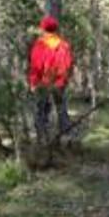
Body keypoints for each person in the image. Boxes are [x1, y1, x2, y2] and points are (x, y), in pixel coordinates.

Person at [28, 15, 74, 145]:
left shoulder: (40, 45)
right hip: (60, 83)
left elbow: (35, 66)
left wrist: (33, 83)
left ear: (43, 28)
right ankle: (67, 137)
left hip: (43, 83)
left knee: (42, 111)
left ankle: (42, 139)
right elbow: (68, 64)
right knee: (62, 110)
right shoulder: (64, 45)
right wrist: (64, 80)